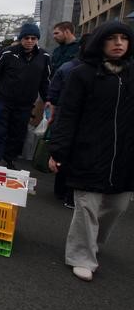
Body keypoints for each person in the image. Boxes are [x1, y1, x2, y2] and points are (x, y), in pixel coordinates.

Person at [48, 21, 134, 282]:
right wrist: (58, 151)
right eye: (112, 38)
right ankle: (82, 256)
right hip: (89, 151)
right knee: (87, 206)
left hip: (125, 156)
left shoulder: (132, 74)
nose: (118, 43)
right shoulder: (83, 74)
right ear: (101, 42)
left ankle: (92, 240)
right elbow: (68, 114)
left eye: (123, 38)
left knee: (117, 205)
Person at [0, 23, 51, 169]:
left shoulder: (44, 57)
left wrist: (48, 99)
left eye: (33, 38)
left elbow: (45, 81)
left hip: (25, 104)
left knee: (18, 132)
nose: (30, 41)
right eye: (26, 38)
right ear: (21, 39)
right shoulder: (8, 54)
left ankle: (10, 158)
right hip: (4, 100)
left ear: (37, 39)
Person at [46, 33, 91, 208]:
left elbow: (53, 92)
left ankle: (62, 191)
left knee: (66, 153)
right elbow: (54, 93)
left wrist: (51, 113)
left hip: (66, 117)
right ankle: (69, 194)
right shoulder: (73, 69)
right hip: (71, 117)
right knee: (70, 153)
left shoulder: (68, 66)